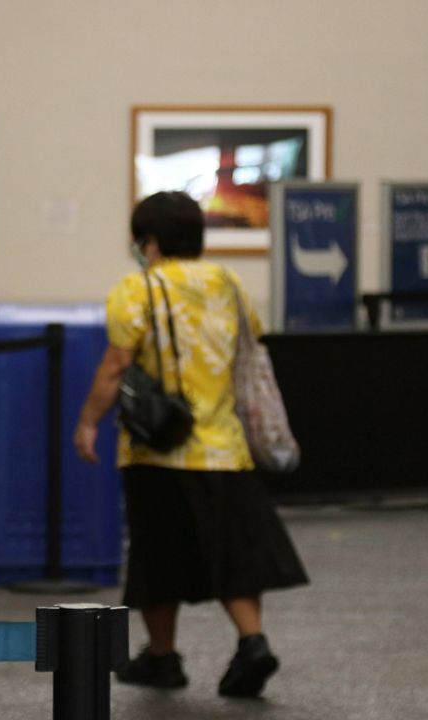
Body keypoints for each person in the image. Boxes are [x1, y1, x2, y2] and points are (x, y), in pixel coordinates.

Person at [73, 191, 308, 698]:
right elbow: (249, 351)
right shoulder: (229, 283)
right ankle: (253, 642)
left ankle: (163, 658)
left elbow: (115, 367)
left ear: (150, 241)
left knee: (159, 556)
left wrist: (89, 422)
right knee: (233, 553)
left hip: (159, 448)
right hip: (225, 447)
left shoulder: (137, 290)